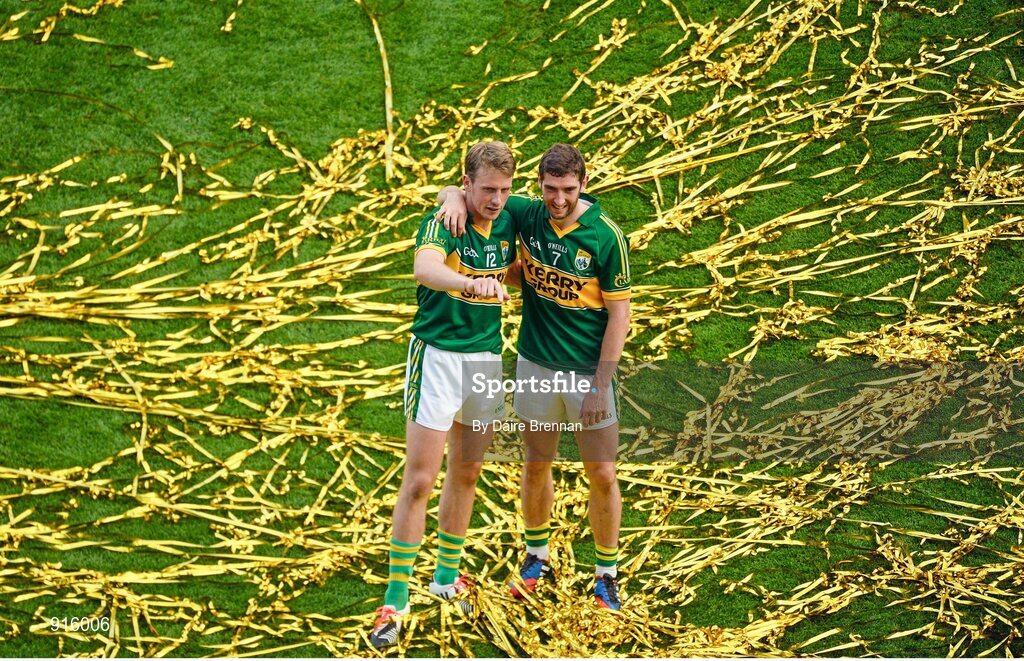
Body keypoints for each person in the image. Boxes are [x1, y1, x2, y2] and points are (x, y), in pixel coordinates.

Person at [437, 143, 631, 611]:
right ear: (539, 186)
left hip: (587, 374)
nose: (558, 199)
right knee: (536, 463)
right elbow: (463, 190)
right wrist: (447, 197)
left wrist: (600, 387)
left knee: (602, 473)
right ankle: (536, 557)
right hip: (535, 363)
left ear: (583, 185)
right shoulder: (526, 213)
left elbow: (620, 317)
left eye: (567, 190)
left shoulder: (606, 236)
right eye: (550, 189)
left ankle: (606, 573)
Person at [369, 141, 517, 649]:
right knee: (420, 480)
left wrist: (452, 190)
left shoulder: (510, 217)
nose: (496, 200)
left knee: (468, 471)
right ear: (468, 184)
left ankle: (445, 577)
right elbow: (425, 270)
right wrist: (469, 282)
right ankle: (395, 598)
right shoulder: (444, 221)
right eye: (485, 190)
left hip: (484, 359)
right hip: (436, 357)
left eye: (504, 190)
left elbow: (561, 205)